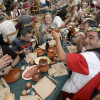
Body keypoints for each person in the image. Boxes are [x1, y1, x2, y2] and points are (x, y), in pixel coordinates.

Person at [51, 25, 100, 99]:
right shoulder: (96, 52)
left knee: (49, 79)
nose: (86, 40)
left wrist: (57, 38)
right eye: (86, 36)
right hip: (77, 79)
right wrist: (79, 41)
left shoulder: (91, 58)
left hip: (73, 86)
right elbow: (81, 51)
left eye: (91, 38)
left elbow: (61, 56)